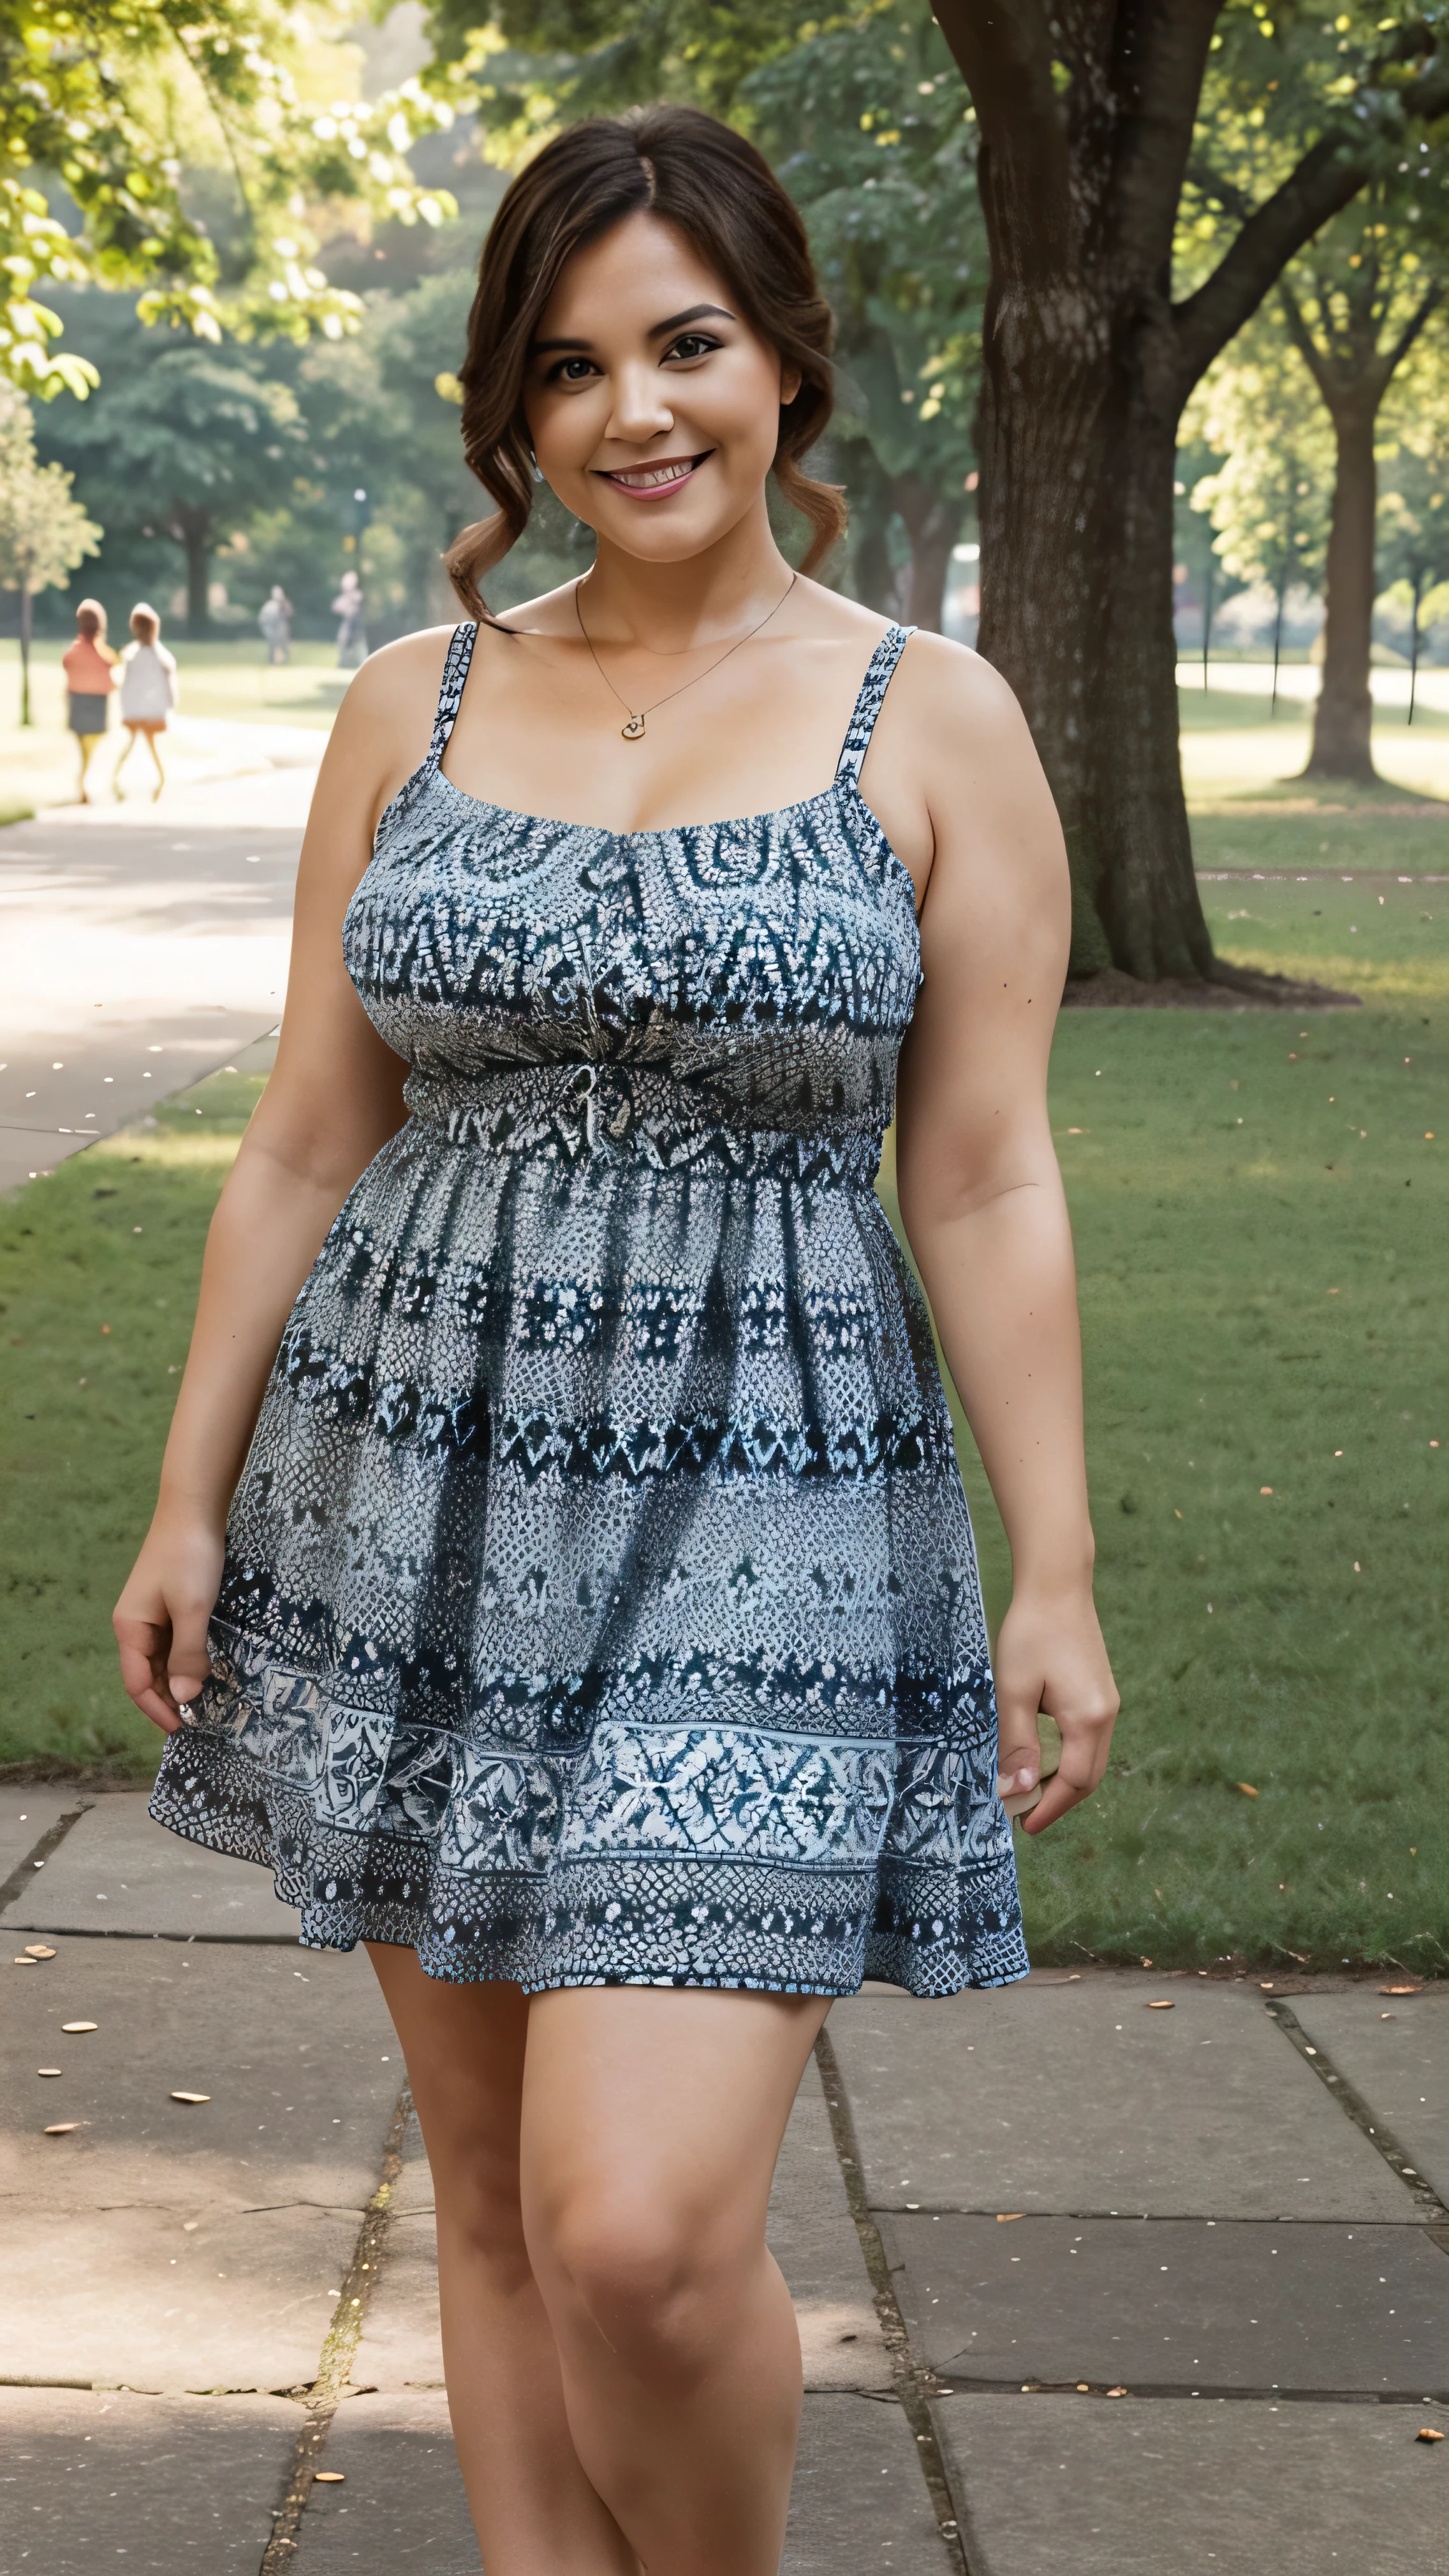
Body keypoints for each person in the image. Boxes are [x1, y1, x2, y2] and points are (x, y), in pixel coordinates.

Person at [114, 103, 1119, 2576]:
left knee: (637, 2234)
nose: (632, 410)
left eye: (684, 342)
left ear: (784, 355)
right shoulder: (409, 705)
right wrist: (184, 1489)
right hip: (407, 1473)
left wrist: (1056, 1559)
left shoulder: (935, 718)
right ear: (514, 409)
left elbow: (980, 1167)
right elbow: (303, 1140)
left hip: (768, 1493)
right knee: (484, 2186)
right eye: (568, 368)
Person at [113, 603, 178, 801]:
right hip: (150, 711)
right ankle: (159, 780)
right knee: (149, 746)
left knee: (134, 744)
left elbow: (125, 686)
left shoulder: (132, 656)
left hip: (137, 711)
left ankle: (116, 779)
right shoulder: (160, 658)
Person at [61, 597, 117, 801]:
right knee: (91, 747)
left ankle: (84, 782)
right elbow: (111, 682)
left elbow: (67, 664)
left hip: (78, 700)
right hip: (95, 703)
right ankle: (85, 782)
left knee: (85, 747)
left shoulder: (73, 653)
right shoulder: (105, 656)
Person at [331, 566, 366, 666]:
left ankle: (362, 664)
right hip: (348, 623)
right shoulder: (344, 597)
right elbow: (336, 607)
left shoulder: (357, 595)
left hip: (358, 624)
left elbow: (358, 601)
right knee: (343, 639)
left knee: (360, 645)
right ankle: (343, 663)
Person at [258, 583, 293, 665]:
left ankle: (284, 660)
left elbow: (288, 614)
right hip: (271, 627)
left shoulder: (285, 603)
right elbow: (263, 618)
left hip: (281, 627)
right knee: (273, 643)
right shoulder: (270, 604)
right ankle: (273, 660)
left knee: (283, 643)